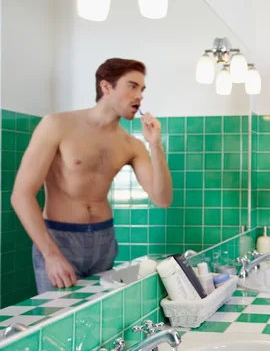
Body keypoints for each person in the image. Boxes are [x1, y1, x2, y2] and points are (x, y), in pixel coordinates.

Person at [11, 58, 173, 294]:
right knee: (59, 321)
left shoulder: (132, 144)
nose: (139, 96)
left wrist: (156, 146)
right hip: (60, 240)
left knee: (98, 319)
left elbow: (162, 199)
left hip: (103, 241)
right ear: (106, 87)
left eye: (142, 89)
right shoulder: (57, 125)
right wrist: (51, 254)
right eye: (132, 86)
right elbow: (21, 195)